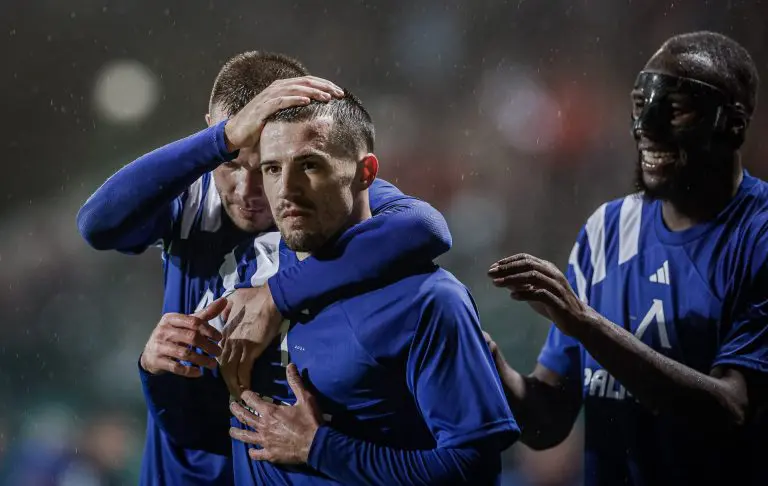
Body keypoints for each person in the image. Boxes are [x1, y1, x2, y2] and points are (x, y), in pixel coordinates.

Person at [77, 52, 453, 486]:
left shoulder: (316, 201)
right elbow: (97, 224)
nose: (249, 189)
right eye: (231, 163)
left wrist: (276, 295)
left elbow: (426, 227)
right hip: (185, 467)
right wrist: (219, 140)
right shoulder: (194, 198)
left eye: (266, 166)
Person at [484, 31, 768, 486]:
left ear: (733, 124)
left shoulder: (757, 236)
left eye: (675, 109)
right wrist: (486, 359)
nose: (646, 127)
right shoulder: (607, 231)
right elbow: (548, 422)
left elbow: (731, 410)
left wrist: (585, 324)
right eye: (641, 105)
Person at [217, 92, 520, 485]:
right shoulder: (253, 275)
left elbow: (472, 468)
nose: (286, 189)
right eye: (272, 168)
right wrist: (156, 371)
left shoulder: (429, 301)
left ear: (366, 173)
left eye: (309, 165)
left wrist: (319, 448)